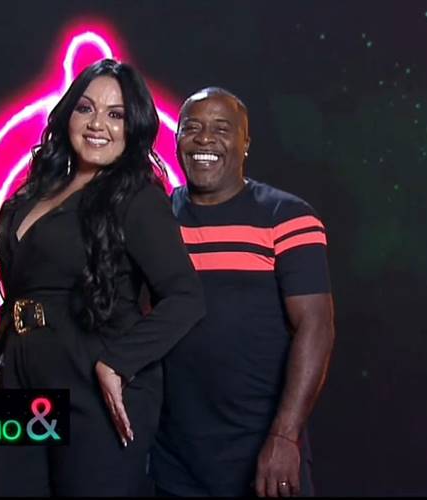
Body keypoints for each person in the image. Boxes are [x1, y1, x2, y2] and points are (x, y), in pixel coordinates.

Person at [0, 59, 205, 496]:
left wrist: (118, 362)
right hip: (25, 377)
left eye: (116, 114)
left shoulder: (137, 199)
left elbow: (186, 297)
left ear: (133, 126)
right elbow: (25, 290)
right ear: (69, 115)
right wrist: (0, 361)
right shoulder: (34, 193)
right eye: (86, 108)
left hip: (93, 381)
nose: (98, 124)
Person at [151, 87, 335, 497]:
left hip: (263, 451)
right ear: (176, 139)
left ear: (245, 142)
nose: (204, 138)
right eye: (192, 127)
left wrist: (285, 436)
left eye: (221, 128)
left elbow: (316, 327)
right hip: (173, 458)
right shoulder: (156, 220)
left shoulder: (286, 216)